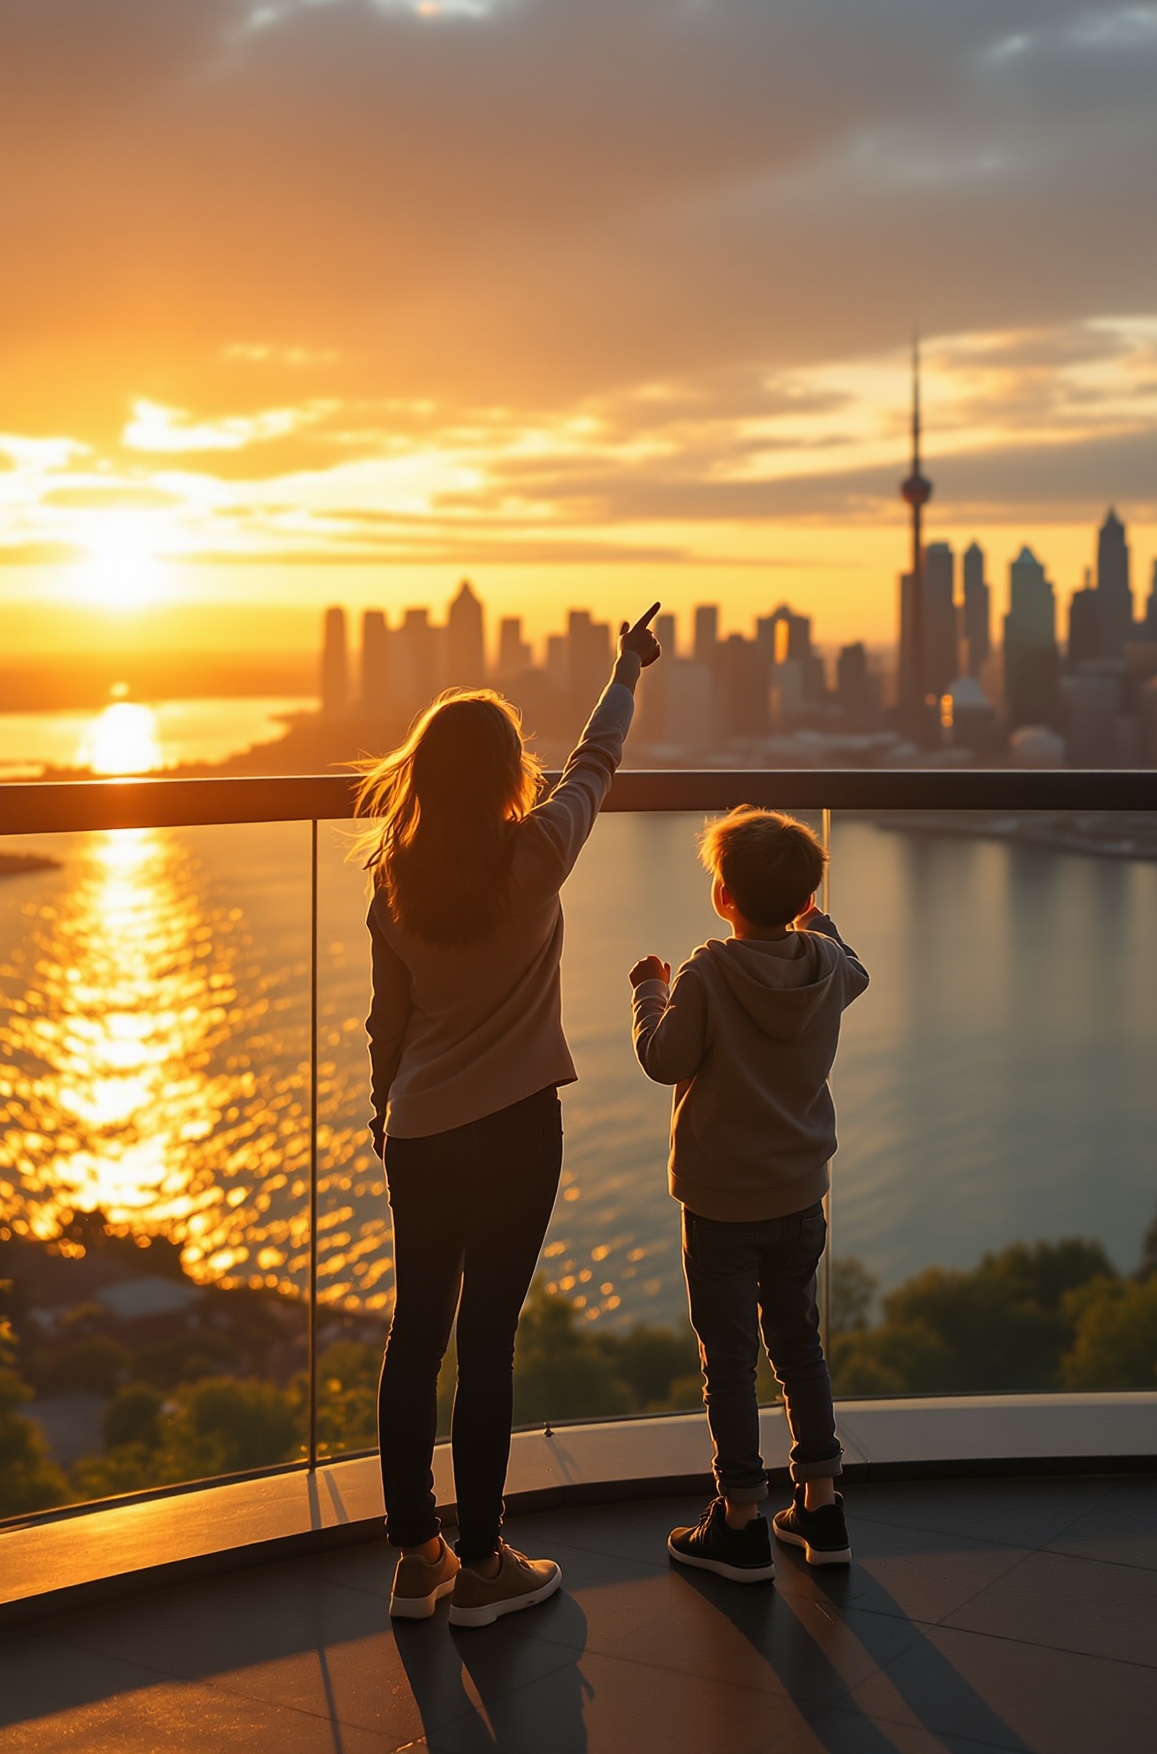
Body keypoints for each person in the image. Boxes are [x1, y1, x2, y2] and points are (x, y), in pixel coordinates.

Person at [363, 603, 662, 1626]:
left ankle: (415, 1560)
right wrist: (626, 669)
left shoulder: (389, 882)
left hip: (419, 1130)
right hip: (516, 1128)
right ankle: (484, 1565)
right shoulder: (536, 852)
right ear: (501, 776)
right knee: (486, 1340)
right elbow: (595, 760)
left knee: (414, 1334)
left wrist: (383, 1115)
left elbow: (385, 1026)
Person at [629, 806, 868, 1582]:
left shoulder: (706, 973)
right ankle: (822, 1507)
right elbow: (853, 965)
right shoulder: (828, 965)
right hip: (801, 1198)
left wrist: (649, 993)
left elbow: (665, 1060)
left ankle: (739, 1521)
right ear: (804, 896)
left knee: (729, 1358)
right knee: (799, 1344)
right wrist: (817, 923)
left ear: (722, 895)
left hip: (722, 1203)